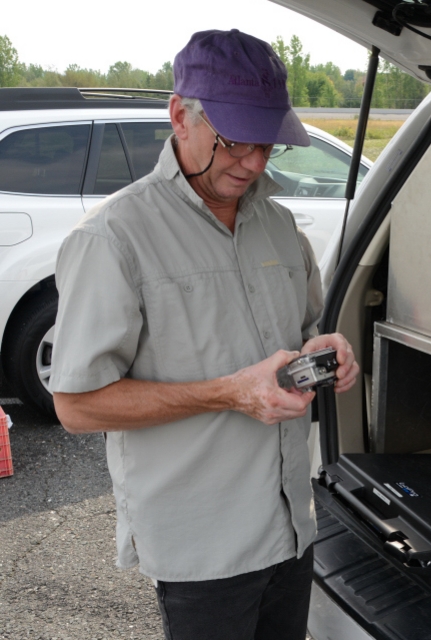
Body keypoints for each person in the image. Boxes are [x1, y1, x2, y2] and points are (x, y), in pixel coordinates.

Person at [49, 29, 358, 640]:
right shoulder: (113, 238)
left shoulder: (279, 227)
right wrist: (229, 393)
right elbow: (76, 406)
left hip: (293, 524)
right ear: (179, 116)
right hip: (205, 546)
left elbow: (301, 335)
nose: (253, 161)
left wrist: (326, 351)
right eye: (235, 140)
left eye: (267, 142)